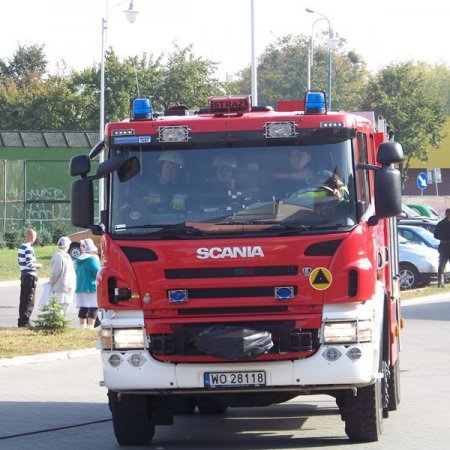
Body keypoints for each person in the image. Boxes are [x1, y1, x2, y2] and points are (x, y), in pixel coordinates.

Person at [272, 148, 347, 200]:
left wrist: (339, 193)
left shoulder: (327, 176)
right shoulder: (284, 180)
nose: (295, 159)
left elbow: (345, 193)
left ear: (308, 158)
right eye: (293, 156)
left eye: (299, 155)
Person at [17, 228, 42, 327]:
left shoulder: (21, 247)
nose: (35, 239)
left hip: (23, 275)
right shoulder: (29, 248)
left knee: (23, 299)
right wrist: (39, 265)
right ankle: (25, 322)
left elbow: (20, 262)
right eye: (35, 237)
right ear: (32, 237)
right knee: (29, 300)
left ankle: (21, 321)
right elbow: (30, 263)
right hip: (30, 277)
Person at [47, 236, 76, 315]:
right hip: (61, 287)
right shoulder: (58, 256)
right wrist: (52, 283)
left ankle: (62, 323)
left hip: (67, 286)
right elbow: (55, 272)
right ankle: (59, 324)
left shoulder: (66, 255)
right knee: (60, 307)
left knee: (64, 305)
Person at [75, 238, 100, 328]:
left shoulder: (78, 260)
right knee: (94, 307)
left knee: (84, 307)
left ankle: (82, 327)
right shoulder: (91, 260)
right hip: (91, 287)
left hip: (80, 287)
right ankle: (90, 327)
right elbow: (98, 273)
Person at [434, 208, 450, 287]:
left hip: (443, 246)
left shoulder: (440, 223)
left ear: (445, 214)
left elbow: (435, 236)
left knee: (441, 265)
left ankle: (440, 282)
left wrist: (443, 238)